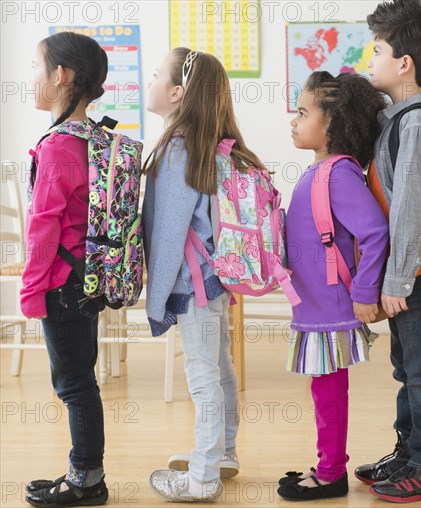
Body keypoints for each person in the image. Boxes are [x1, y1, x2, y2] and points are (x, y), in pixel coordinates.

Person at [143, 49, 260, 502]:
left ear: (176, 93)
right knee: (219, 368)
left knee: (201, 375)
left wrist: (157, 301)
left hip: (192, 284)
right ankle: (223, 452)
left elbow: (171, 232)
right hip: (215, 278)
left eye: (156, 74)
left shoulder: (177, 146)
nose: (149, 81)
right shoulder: (206, 142)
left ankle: (202, 476)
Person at [354, 0, 421, 503]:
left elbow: (411, 211)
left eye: (377, 50)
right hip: (403, 274)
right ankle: (410, 450)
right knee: (407, 365)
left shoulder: (415, 125)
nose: (369, 59)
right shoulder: (395, 120)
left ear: (404, 64)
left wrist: (396, 282)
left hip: (411, 275)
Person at [276, 70, 389, 502]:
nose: (294, 120)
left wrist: (364, 293)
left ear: (333, 124)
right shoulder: (320, 171)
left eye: (303, 113)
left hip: (331, 305)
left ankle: (330, 473)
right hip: (315, 306)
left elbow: (375, 232)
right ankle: (327, 465)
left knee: (327, 391)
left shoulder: (338, 174)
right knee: (324, 389)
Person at [20, 32, 110, 507]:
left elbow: (42, 231)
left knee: (74, 384)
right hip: (87, 278)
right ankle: (83, 470)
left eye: (37, 67)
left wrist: (30, 291)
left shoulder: (57, 147)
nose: (32, 78)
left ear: (62, 76)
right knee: (81, 379)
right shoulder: (93, 137)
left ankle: (86, 480)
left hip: (60, 283)